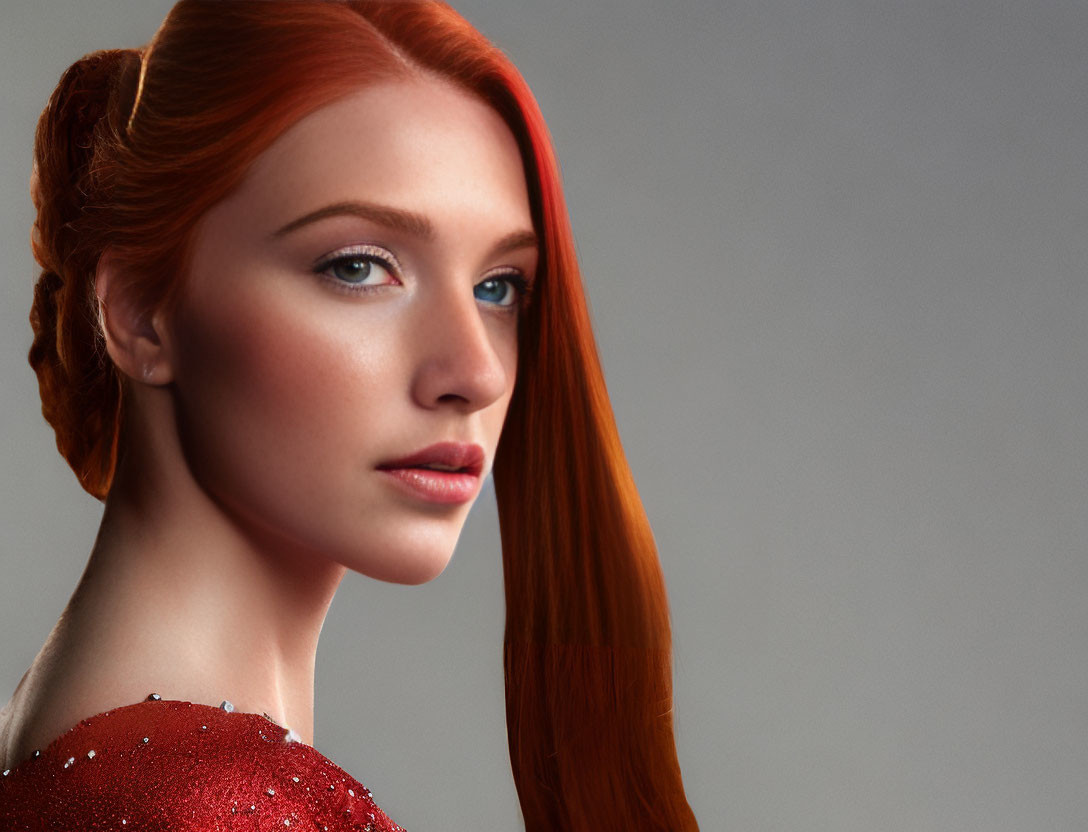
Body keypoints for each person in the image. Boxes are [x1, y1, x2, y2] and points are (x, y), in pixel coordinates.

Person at [0, 1, 698, 829]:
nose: (474, 371)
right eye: (360, 267)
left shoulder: (94, 756)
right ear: (141, 314)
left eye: (498, 287)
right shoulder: (202, 809)